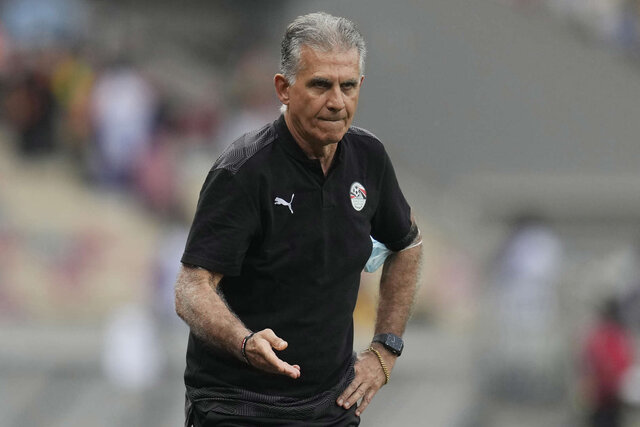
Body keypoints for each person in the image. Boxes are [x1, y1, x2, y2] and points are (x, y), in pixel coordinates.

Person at [175, 12, 422, 426]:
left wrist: (385, 349)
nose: (337, 101)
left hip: (330, 406)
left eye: (348, 86)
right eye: (320, 85)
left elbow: (407, 245)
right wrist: (244, 341)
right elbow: (191, 288)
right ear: (284, 88)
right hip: (238, 406)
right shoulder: (243, 171)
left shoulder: (369, 159)